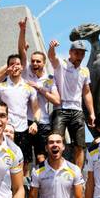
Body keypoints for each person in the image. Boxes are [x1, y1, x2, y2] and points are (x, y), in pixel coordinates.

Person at [18, 16, 61, 163]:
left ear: (43, 63)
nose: (34, 63)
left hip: (43, 121)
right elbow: (21, 50)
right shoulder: (26, 71)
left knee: (42, 157)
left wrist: (40, 88)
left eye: (38, 61)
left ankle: (42, 183)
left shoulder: (49, 79)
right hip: (25, 121)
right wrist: (22, 30)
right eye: (33, 61)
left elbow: (56, 100)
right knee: (24, 158)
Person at [48, 39, 96, 169]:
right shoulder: (62, 65)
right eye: (77, 53)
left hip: (77, 110)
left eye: (82, 53)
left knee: (80, 145)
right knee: (55, 142)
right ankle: (55, 170)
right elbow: (52, 57)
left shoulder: (85, 71)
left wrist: (91, 112)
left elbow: (87, 93)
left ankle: (78, 176)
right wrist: (52, 47)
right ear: (70, 52)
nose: (80, 56)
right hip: (61, 109)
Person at [0, 54, 40, 173]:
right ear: (8, 67)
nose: (15, 67)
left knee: (25, 162)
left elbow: (36, 109)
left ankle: (23, 188)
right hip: (5, 130)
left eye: (17, 64)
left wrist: (35, 123)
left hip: (23, 129)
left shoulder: (29, 88)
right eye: (11, 64)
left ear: (22, 67)